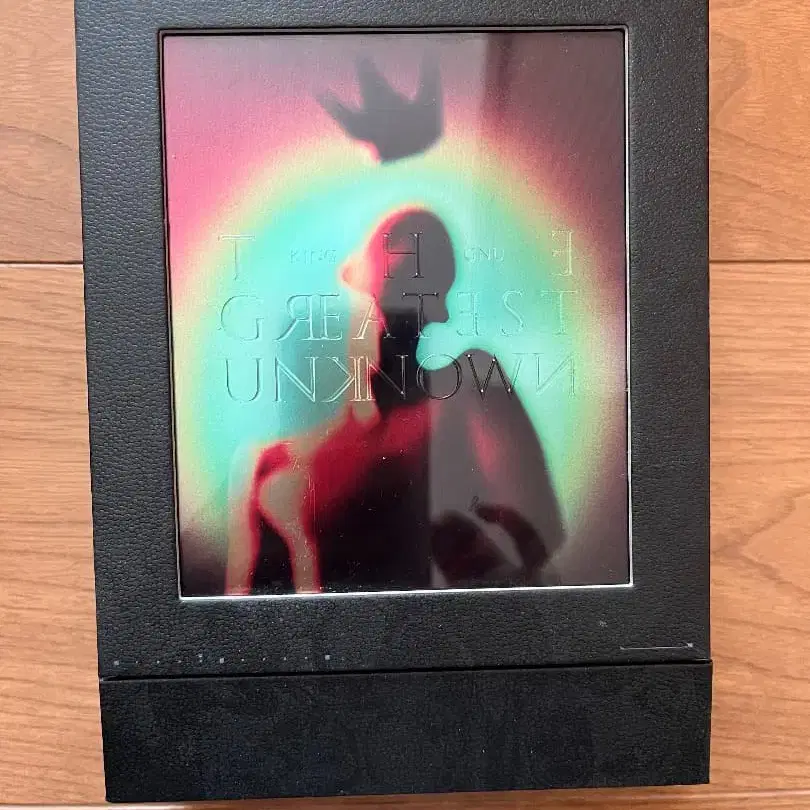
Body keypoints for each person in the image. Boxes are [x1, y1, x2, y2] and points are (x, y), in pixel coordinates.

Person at [227, 206, 564, 595]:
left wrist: (479, 557)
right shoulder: (274, 465)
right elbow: (246, 619)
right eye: (396, 277)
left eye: (418, 283)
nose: (393, 307)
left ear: (437, 308)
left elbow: (539, 538)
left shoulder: (468, 390)